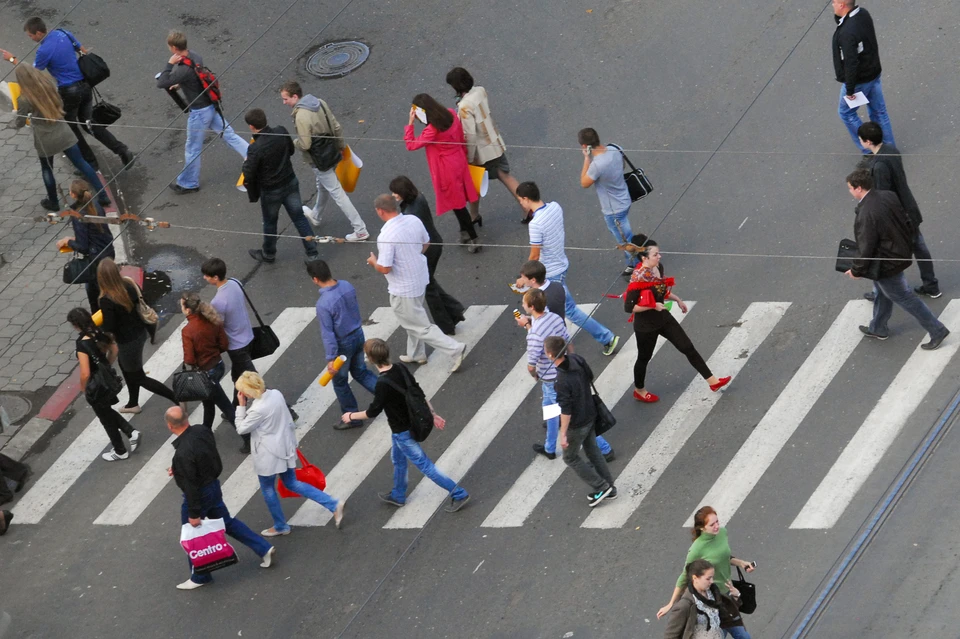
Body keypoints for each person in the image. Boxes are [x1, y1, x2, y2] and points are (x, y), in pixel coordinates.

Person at [343, 338, 469, 512]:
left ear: (371, 359)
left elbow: (372, 412)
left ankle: (458, 493)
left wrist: (350, 415)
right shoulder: (400, 368)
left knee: (426, 467)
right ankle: (398, 495)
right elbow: (417, 391)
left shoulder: (382, 384)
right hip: (408, 425)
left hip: (402, 432)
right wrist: (432, 413)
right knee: (398, 459)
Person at [167, 405, 275, 590]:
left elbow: (191, 486)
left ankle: (200, 575)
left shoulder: (182, 453)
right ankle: (263, 548)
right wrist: (179, 469)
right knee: (226, 522)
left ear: (170, 426)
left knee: (192, 536)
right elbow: (202, 456)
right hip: (213, 487)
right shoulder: (201, 430)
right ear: (187, 418)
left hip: (199, 496)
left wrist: (194, 513)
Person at [843, 169, 949, 349]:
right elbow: (904, 220)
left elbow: (866, 245)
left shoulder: (866, 212)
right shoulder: (888, 195)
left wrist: (856, 270)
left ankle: (937, 330)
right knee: (882, 290)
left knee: (904, 297)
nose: (849, 192)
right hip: (898, 253)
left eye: (850, 188)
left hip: (886, 262)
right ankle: (878, 327)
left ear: (859, 188)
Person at [14, 17, 134, 170]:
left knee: (71, 127)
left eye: (31, 36)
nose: (31, 39)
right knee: (89, 123)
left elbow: (31, 76)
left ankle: (90, 164)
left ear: (38, 33)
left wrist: (13, 60)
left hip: (69, 91)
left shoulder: (43, 51)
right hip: (85, 85)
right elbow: (82, 50)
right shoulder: (63, 32)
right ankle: (122, 150)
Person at [233, 372, 344, 535]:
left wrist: (241, 406)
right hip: (285, 447)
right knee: (292, 482)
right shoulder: (275, 394)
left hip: (268, 455)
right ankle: (333, 504)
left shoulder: (257, 409)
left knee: (268, 489)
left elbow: (241, 428)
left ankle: (280, 525)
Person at [517, 181, 620, 356]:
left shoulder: (535, 224)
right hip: (562, 264)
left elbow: (534, 256)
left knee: (568, 310)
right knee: (558, 309)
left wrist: (524, 277)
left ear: (526, 199)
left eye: (520, 200)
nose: (520, 203)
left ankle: (606, 337)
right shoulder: (555, 207)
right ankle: (561, 338)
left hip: (550, 272)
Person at [368, 195, 467, 373]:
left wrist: (373, 262)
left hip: (403, 288)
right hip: (420, 278)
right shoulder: (413, 219)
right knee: (412, 320)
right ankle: (416, 353)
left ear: (380, 211)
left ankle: (455, 349)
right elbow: (426, 242)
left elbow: (385, 268)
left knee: (419, 325)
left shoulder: (386, 236)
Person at [627, 241, 730, 403]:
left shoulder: (658, 268)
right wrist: (652, 306)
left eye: (658, 253)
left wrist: (677, 300)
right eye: (655, 254)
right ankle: (639, 390)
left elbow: (661, 291)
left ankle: (713, 382)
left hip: (663, 318)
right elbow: (629, 307)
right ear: (644, 257)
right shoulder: (637, 278)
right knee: (644, 358)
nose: (659, 256)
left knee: (687, 347)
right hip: (646, 326)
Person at [523, 290, 614, 463]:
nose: (522, 306)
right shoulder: (555, 318)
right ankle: (550, 447)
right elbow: (566, 340)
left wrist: (535, 376)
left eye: (524, 303)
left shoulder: (534, 334)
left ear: (532, 307)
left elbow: (531, 364)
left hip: (551, 380)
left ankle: (604, 448)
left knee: (572, 418)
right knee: (549, 409)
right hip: (563, 370)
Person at [156, 30, 248, 194]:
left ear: (174, 48)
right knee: (228, 134)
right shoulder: (195, 56)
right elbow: (195, 77)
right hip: (211, 105)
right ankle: (252, 155)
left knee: (193, 148)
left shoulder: (182, 69)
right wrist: (180, 84)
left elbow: (162, 82)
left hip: (199, 112)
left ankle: (189, 183)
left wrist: (170, 64)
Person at [857, 122, 940, 299]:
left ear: (868, 141)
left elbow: (883, 196)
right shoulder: (891, 149)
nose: (860, 142)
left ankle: (881, 293)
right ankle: (931, 284)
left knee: (884, 253)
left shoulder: (879, 166)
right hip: (909, 206)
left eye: (861, 139)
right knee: (919, 246)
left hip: (898, 216)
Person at [11, 64, 110, 212]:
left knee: (47, 168)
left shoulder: (24, 99)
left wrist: (16, 116)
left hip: (45, 139)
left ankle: (53, 202)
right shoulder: (49, 86)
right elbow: (61, 104)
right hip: (63, 131)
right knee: (82, 163)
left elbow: (19, 122)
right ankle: (103, 195)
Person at [280, 80, 369, 241]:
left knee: (337, 193)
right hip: (332, 151)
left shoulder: (300, 116)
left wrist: (293, 143)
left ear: (294, 96)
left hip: (319, 159)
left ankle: (360, 229)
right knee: (322, 186)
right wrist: (341, 147)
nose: (284, 102)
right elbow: (336, 127)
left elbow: (305, 144)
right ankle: (316, 215)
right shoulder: (319, 102)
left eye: (286, 99)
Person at [658, 507, 754, 639]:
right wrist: (671, 603)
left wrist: (742, 563)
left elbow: (724, 557)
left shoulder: (722, 533)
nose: (717, 526)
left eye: (717, 522)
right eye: (712, 524)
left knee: (726, 631)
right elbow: (685, 575)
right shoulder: (697, 549)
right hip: (714, 597)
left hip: (727, 594)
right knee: (737, 633)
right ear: (702, 528)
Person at [544, 336, 617, 507]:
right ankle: (610, 488)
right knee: (593, 451)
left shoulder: (561, 380)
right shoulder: (577, 359)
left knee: (570, 457)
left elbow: (566, 410)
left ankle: (601, 486)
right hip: (590, 412)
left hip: (577, 423)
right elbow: (590, 376)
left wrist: (563, 434)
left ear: (550, 355)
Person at [404, 93, 481, 253]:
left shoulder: (432, 130)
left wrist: (410, 124)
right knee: (461, 199)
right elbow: (461, 136)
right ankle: (465, 232)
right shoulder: (450, 114)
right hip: (459, 160)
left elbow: (411, 145)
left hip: (446, 169)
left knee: (458, 206)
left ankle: (473, 237)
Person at [97, 258, 177, 413]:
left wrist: (98, 324)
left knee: (138, 376)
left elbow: (109, 326)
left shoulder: (106, 300)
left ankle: (175, 397)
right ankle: (133, 403)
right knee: (126, 368)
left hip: (127, 341)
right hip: (139, 333)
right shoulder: (127, 284)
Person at [445, 67, 524, 224]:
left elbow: (470, 135)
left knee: (475, 184)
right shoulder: (480, 90)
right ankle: (528, 206)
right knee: (504, 175)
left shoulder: (464, 106)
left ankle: (474, 216)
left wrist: (468, 157)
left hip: (482, 152)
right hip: (494, 142)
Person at [240, 108, 318, 265]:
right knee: (299, 217)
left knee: (270, 222)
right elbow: (290, 151)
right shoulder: (280, 131)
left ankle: (269, 254)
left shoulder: (255, 148)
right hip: (290, 182)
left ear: (251, 127)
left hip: (271, 191)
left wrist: (247, 162)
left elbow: (248, 173)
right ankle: (312, 252)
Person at [307, 259, 378, 430]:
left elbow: (328, 333)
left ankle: (352, 416)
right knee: (360, 371)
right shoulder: (346, 285)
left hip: (342, 343)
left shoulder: (323, 304)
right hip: (358, 333)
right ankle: (389, 396)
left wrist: (331, 358)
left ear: (315, 279)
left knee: (340, 381)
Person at [390, 175, 466, 335]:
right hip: (434, 243)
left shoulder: (411, 212)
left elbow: (415, 237)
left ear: (403, 192)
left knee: (428, 287)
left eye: (395, 192)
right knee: (429, 281)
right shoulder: (418, 197)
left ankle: (447, 324)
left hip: (427, 250)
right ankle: (454, 311)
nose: (393, 195)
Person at [66, 307, 140, 461]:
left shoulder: (81, 344)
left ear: (75, 325)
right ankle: (131, 432)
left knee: (105, 419)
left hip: (96, 385)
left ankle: (120, 450)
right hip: (107, 381)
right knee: (106, 412)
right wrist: (106, 365)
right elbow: (114, 349)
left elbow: (85, 372)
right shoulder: (98, 333)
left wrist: (83, 388)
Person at [201, 258, 257, 452]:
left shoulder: (218, 301)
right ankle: (234, 405)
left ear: (215, 277)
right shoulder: (234, 282)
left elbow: (218, 325)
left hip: (236, 344)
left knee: (253, 379)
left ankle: (285, 408)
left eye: (207, 276)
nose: (204, 278)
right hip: (248, 335)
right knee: (237, 376)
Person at [831, 0, 895, 153]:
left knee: (846, 113)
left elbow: (851, 63)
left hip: (859, 81)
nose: (832, 4)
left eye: (834, 2)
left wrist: (850, 89)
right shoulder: (863, 14)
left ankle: (869, 148)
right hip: (873, 72)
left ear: (841, 5)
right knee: (879, 112)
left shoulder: (846, 33)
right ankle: (889, 148)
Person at [577, 128, 639, 275]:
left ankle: (636, 267)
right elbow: (622, 166)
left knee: (625, 240)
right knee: (626, 235)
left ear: (585, 146)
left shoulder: (597, 165)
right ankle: (633, 263)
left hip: (613, 209)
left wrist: (586, 159)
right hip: (624, 197)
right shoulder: (615, 148)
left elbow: (584, 183)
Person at [56, 179, 115, 312]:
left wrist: (68, 241)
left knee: (96, 295)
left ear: (73, 195)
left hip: (95, 260)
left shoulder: (79, 215)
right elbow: (95, 232)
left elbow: (83, 246)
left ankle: (103, 321)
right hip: (108, 251)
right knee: (109, 286)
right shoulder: (96, 206)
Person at [180, 293, 235, 430]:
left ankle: (247, 437)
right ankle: (206, 430)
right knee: (208, 401)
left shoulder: (188, 330)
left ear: (187, 310)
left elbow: (189, 359)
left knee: (226, 407)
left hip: (206, 374)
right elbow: (224, 344)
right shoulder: (212, 319)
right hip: (218, 365)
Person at [662, 559, 744, 639]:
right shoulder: (685, 605)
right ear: (695, 578)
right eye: (708, 578)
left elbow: (727, 612)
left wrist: (736, 596)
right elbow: (670, 635)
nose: (712, 581)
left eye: (712, 577)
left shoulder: (713, 593)